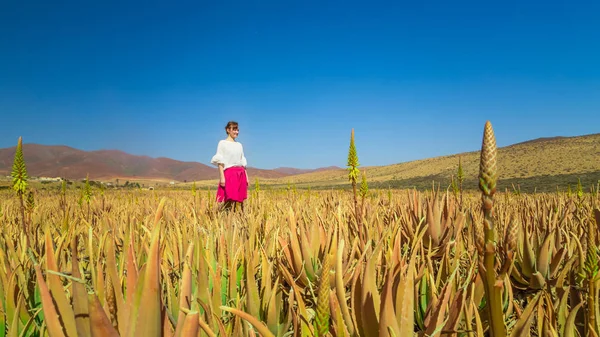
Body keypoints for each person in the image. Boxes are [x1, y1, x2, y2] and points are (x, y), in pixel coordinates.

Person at [211, 121, 249, 211]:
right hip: (229, 174)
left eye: (237, 130)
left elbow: (242, 161)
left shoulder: (239, 145)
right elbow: (220, 162)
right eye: (234, 129)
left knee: (240, 200)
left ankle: (238, 220)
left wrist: (246, 177)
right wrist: (222, 177)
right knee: (229, 199)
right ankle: (227, 219)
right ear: (228, 130)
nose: (237, 132)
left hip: (241, 173)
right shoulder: (222, 143)